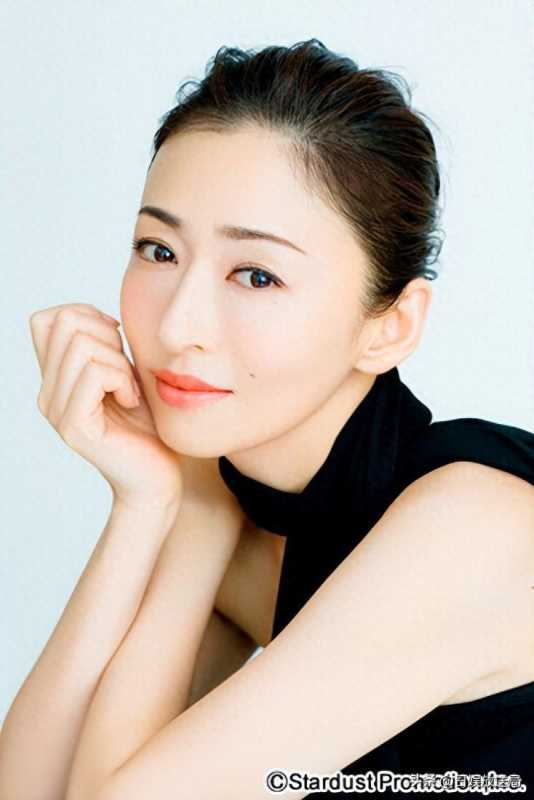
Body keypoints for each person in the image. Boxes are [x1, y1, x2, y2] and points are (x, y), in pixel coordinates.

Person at [2, 39, 533, 800]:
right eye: (158, 250)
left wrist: (192, 513)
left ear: (389, 326)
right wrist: (150, 502)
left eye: (256, 275)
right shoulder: (242, 507)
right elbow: (31, 790)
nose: (179, 325)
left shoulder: (476, 528)